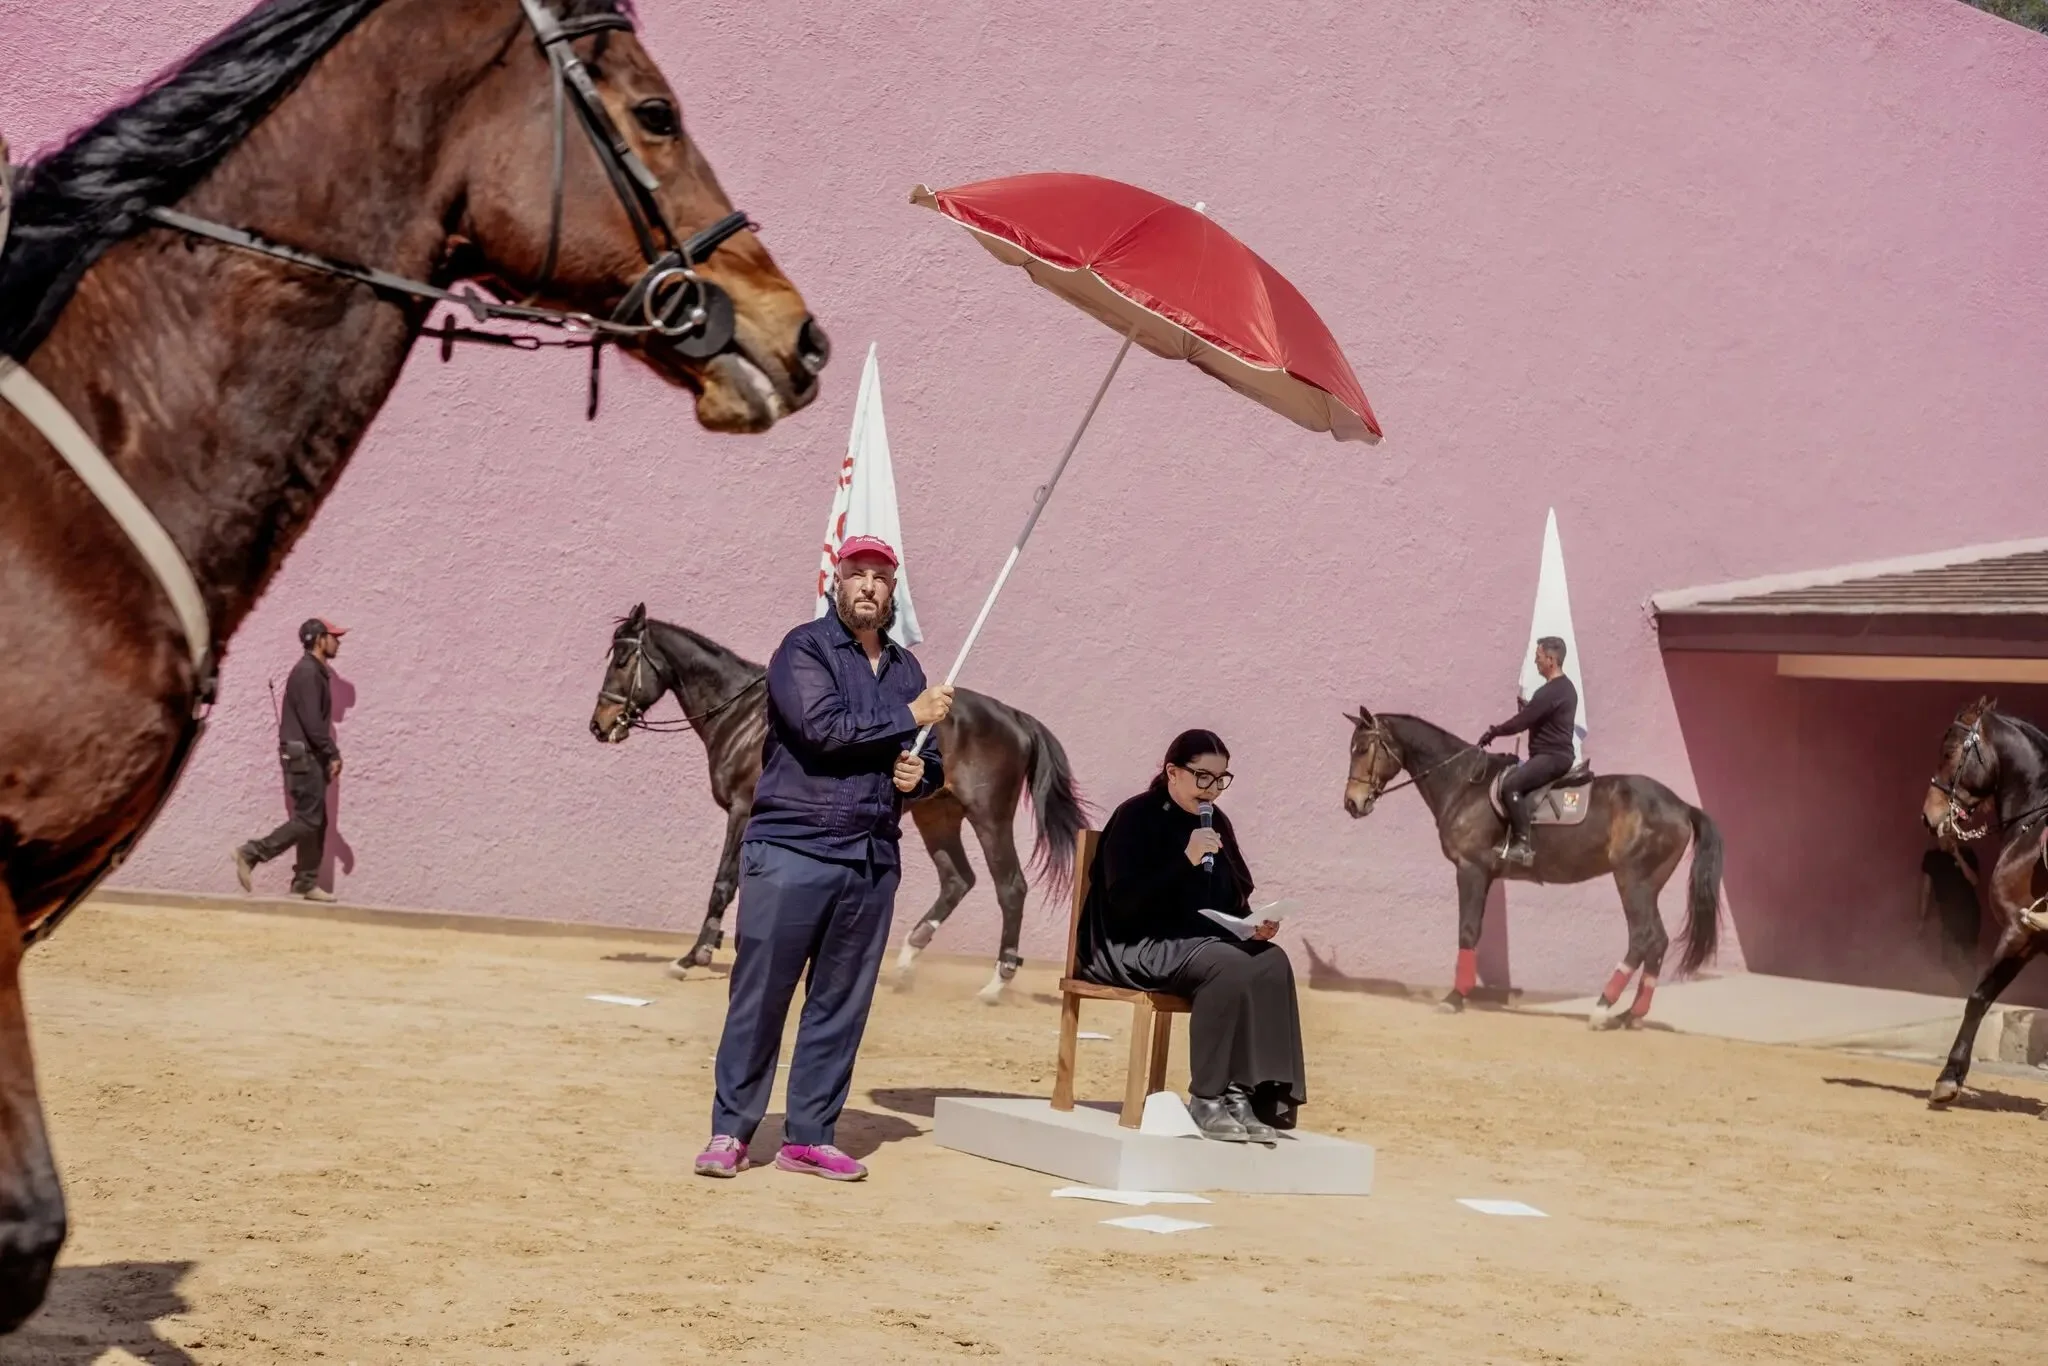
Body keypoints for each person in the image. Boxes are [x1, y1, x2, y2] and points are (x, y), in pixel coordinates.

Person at [695, 536, 952, 1182]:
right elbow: (822, 728)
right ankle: (731, 1130)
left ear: (894, 593)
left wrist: (916, 776)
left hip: (869, 860)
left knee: (840, 1004)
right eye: (856, 574)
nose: (868, 586)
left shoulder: (907, 672)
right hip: (791, 848)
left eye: (880, 578)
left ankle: (809, 1135)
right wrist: (906, 717)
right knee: (761, 996)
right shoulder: (802, 651)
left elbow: (932, 767)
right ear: (836, 583)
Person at [1075, 729, 1307, 1144]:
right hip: (1134, 944)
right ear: (1172, 772)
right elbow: (1124, 902)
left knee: (1271, 960)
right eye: (1203, 777)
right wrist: (1185, 858)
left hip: (1198, 944)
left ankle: (1249, 1095)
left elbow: (1233, 895)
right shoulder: (1137, 817)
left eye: (1221, 779)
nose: (1212, 790)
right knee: (1229, 965)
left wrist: (1253, 924)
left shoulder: (1217, 823)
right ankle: (1208, 1098)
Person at [232, 618, 345, 902]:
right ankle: (251, 852)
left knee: (317, 820)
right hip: (303, 756)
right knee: (309, 819)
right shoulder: (307, 673)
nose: (338, 642)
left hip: (306, 755)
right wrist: (332, 752)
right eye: (334, 636)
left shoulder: (315, 672)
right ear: (319, 639)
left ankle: (304, 883)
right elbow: (311, 722)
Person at [1478, 636, 1580, 867]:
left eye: (1539, 658)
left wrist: (1495, 731)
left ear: (1551, 660)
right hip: (1556, 756)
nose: (1536, 662)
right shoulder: (1564, 689)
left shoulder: (1551, 691)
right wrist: (1530, 709)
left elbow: (1520, 723)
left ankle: (1522, 844)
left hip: (1552, 758)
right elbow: (1543, 717)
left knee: (1510, 785)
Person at [1919, 843, 1982, 989]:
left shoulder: (1966, 853)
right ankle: (1965, 987)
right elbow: (1926, 891)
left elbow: (1974, 881)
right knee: (1948, 956)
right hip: (1947, 915)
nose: (1946, 838)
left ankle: (1970, 992)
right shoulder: (1932, 857)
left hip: (1969, 913)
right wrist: (1922, 919)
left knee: (1968, 955)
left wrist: (1958, 857)